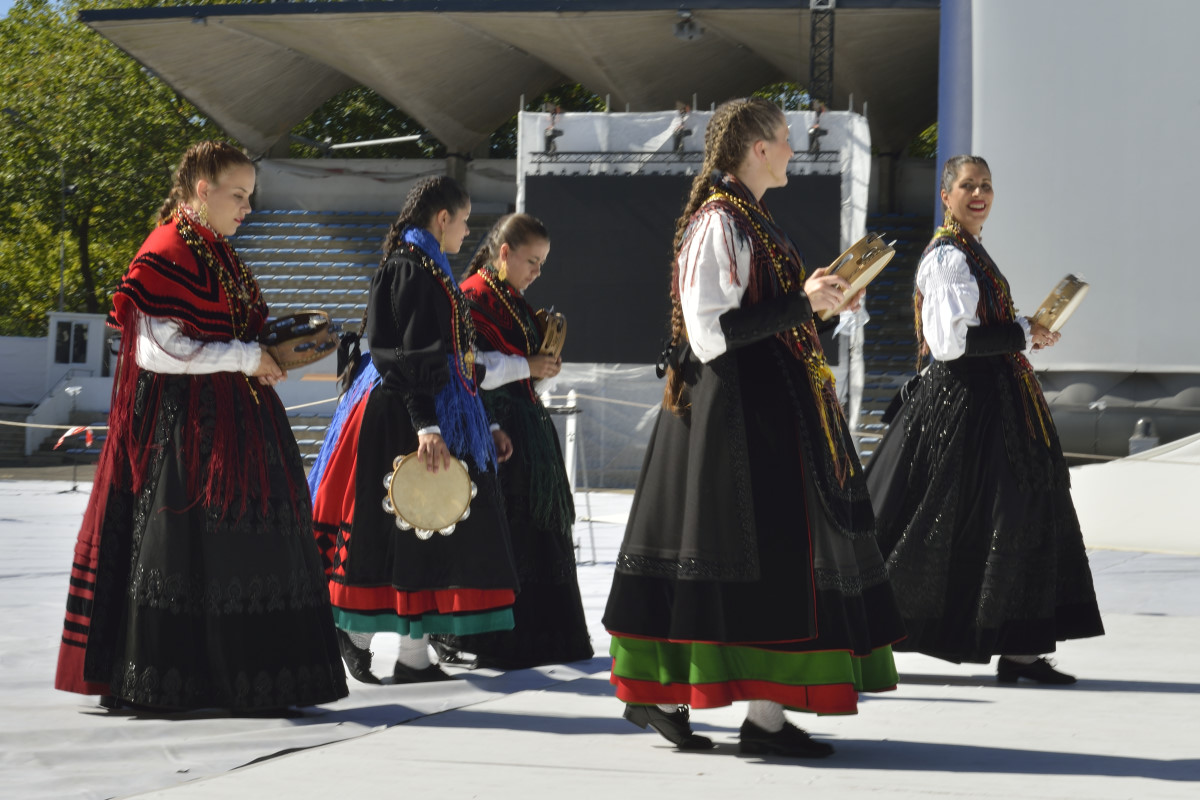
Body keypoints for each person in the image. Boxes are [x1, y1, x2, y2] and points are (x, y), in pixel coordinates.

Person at [602, 98, 905, 758]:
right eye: (786, 140)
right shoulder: (720, 220)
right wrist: (804, 301)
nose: (795, 150)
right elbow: (713, 334)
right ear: (758, 148)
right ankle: (709, 707)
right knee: (745, 555)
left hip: (763, 411)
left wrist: (821, 299)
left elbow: (766, 318)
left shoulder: (752, 219)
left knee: (767, 559)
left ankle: (757, 716)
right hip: (734, 418)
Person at [53, 141, 348, 713]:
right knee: (183, 549)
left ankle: (242, 676)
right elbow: (158, 349)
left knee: (239, 552)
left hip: (235, 422)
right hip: (181, 429)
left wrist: (272, 353)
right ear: (201, 190)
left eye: (251, 197)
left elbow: (235, 334)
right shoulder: (166, 248)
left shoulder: (220, 253)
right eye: (238, 195)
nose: (247, 208)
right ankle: (184, 680)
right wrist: (245, 358)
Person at [865, 155, 1104, 683]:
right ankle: (858, 631)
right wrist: (1022, 333)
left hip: (996, 404)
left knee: (1022, 515)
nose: (979, 194)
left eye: (987, 186)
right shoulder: (947, 258)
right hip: (963, 411)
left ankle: (1021, 649)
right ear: (946, 195)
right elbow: (951, 345)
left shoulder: (969, 251)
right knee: (934, 522)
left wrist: (1026, 331)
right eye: (968, 186)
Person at [307, 176, 520, 684]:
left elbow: (452, 359)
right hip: (405, 413)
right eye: (465, 221)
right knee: (401, 528)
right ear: (441, 218)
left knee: (424, 533)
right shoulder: (412, 268)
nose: (468, 232)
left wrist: (482, 419)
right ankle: (361, 635)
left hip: (421, 408)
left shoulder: (428, 266)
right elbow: (405, 354)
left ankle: (412, 655)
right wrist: (425, 423)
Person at [430, 214, 593, 670]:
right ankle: (499, 639)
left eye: (542, 264)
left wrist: (540, 367)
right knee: (505, 537)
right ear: (504, 253)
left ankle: (543, 637)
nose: (537, 272)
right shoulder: (470, 298)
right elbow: (466, 372)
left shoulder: (512, 299)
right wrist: (520, 379)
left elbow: (518, 366)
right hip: (493, 435)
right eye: (532, 261)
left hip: (525, 429)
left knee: (538, 536)